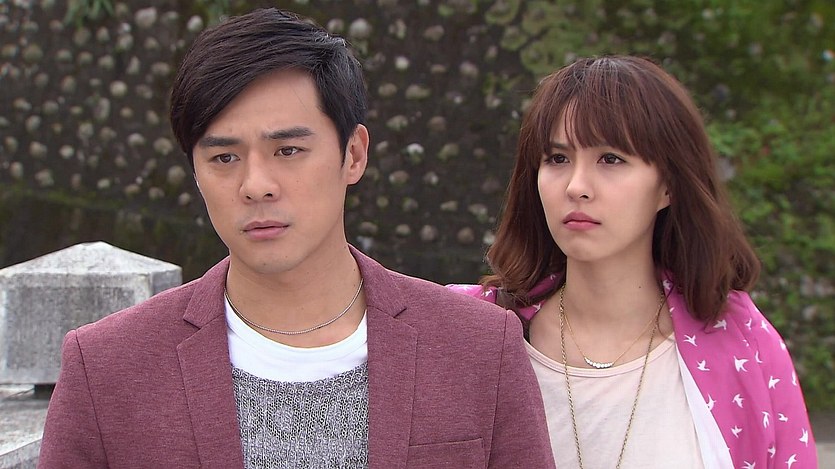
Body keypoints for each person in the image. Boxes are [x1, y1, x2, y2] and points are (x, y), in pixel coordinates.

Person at [38, 8, 555, 469]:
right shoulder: (106, 367)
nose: (255, 185)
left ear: (353, 155)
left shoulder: (478, 347)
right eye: (223, 157)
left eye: (287, 151)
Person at [449, 56, 817, 468]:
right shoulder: (467, 333)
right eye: (557, 159)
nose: (576, 186)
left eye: (611, 159)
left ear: (668, 186)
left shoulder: (741, 342)